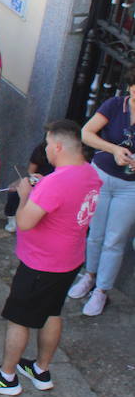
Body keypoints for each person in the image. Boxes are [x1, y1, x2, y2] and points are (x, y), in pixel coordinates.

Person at [0, 120, 101, 396]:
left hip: (41, 263)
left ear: (58, 146)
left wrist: (27, 194)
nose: (45, 151)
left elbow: (26, 222)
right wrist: (42, 188)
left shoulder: (55, 183)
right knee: (52, 312)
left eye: (47, 145)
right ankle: (41, 369)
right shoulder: (90, 173)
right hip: (70, 259)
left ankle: (6, 377)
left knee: (19, 318)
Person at [69, 74, 135, 316]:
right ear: (130, 87)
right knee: (94, 233)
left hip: (130, 187)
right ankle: (89, 275)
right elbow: (86, 133)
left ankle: (102, 290)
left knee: (115, 240)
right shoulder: (115, 105)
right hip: (102, 176)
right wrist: (114, 148)